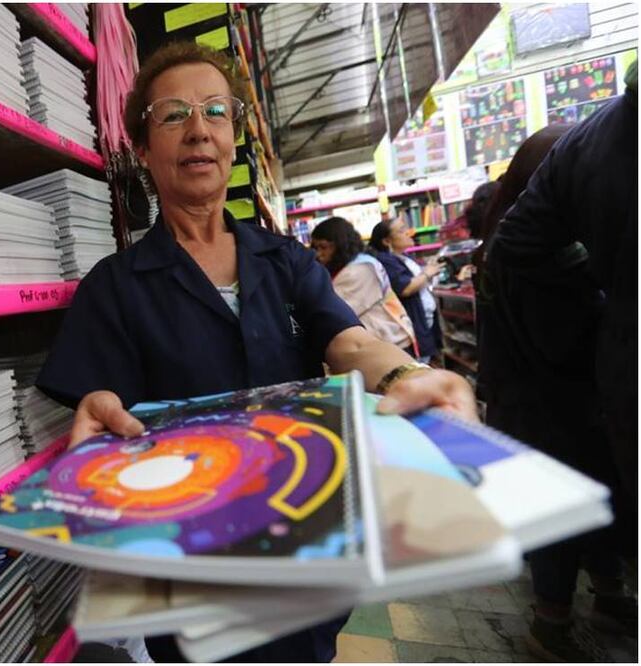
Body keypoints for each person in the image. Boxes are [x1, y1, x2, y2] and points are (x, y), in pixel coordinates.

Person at [35, 41, 477, 663]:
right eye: (173, 114)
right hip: (195, 569)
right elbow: (103, 409)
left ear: (235, 138)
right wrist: (97, 415)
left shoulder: (286, 260)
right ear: (142, 147)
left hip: (305, 545)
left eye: (216, 111)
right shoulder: (113, 288)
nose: (199, 130)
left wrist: (406, 371)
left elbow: (347, 341)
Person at [483, 63, 638, 660]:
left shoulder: (502, 247)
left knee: (587, 510)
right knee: (565, 520)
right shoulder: (534, 259)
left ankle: (602, 594)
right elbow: (559, 342)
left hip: (536, 410)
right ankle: (551, 625)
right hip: (555, 414)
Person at [310, 217, 417, 357]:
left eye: (323, 247)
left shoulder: (359, 270)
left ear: (340, 245)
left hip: (389, 346)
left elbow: (333, 314)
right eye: (315, 248)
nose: (318, 254)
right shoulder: (355, 263)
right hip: (386, 342)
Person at [368, 219, 442, 362]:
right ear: (386, 241)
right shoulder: (386, 260)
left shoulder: (404, 256)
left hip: (423, 320)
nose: (408, 233)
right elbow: (405, 288)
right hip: (412, 323)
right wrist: (427, 273)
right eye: (401, 231)